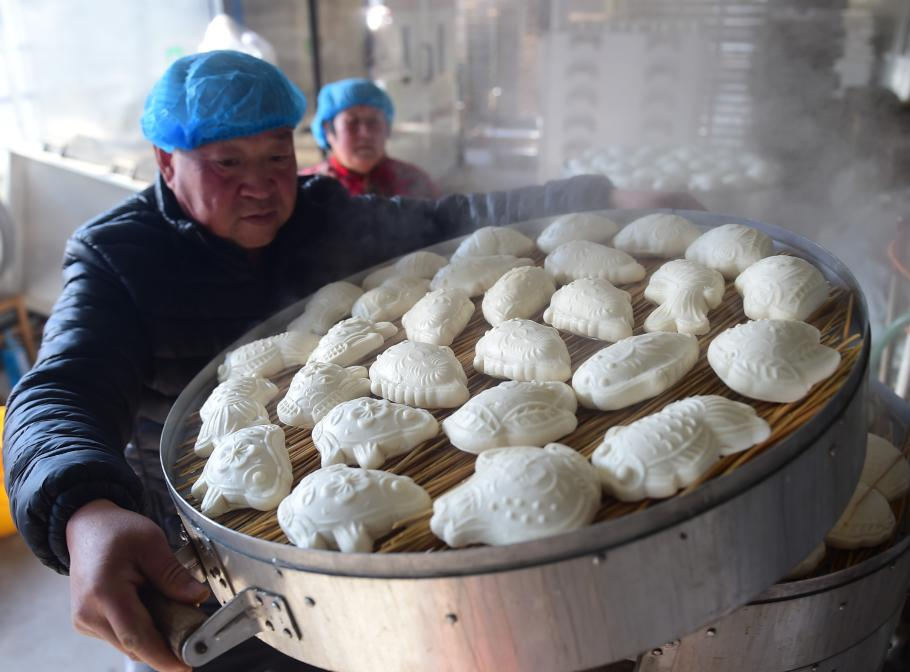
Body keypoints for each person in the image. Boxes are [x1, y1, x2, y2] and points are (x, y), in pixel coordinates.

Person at [1, 50, 695, 672]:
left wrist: (602, 198)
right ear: (165, 161)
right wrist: (84, 509)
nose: (262, 187)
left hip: (354, 515)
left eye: (277, 157)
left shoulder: (320, 212)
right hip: (203, 550)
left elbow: (452, 219)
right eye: (227, 163)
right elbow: (58, 392)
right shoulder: (118, 258)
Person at [303, 78, 439, 198]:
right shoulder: (307, 189)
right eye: (352, 122)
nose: (365, 133)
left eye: (373, 122)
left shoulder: (415, 183)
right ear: (328, 130)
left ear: (387, 129)